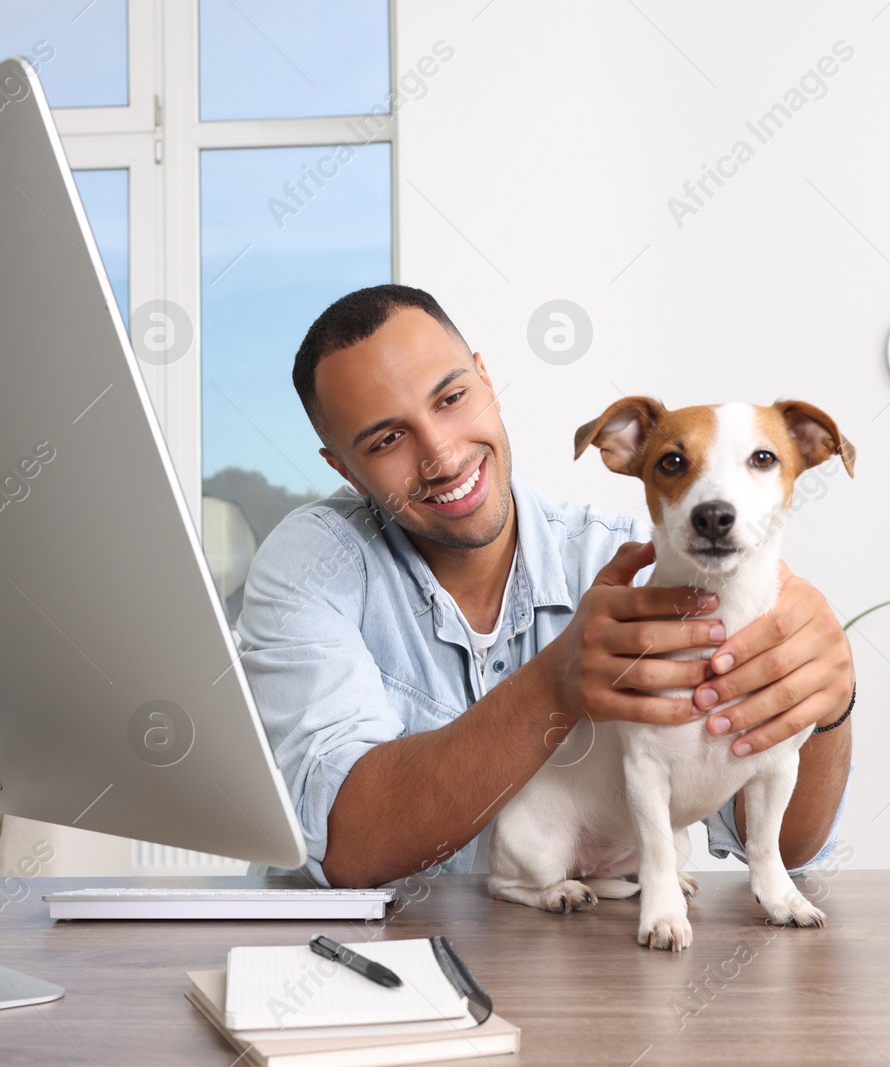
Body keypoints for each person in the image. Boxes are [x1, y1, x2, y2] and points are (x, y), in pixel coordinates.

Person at [237, 285, 854, 890]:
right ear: (343, 467)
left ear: (486, 380)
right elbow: (350, 846)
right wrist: (556, 686)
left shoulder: (643, 565)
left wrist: (823, 705)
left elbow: (773, 841)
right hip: (346, 952)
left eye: (452, 398)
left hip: (575, 957)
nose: (443, 457)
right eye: (387, 439)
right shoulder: (311, 567)